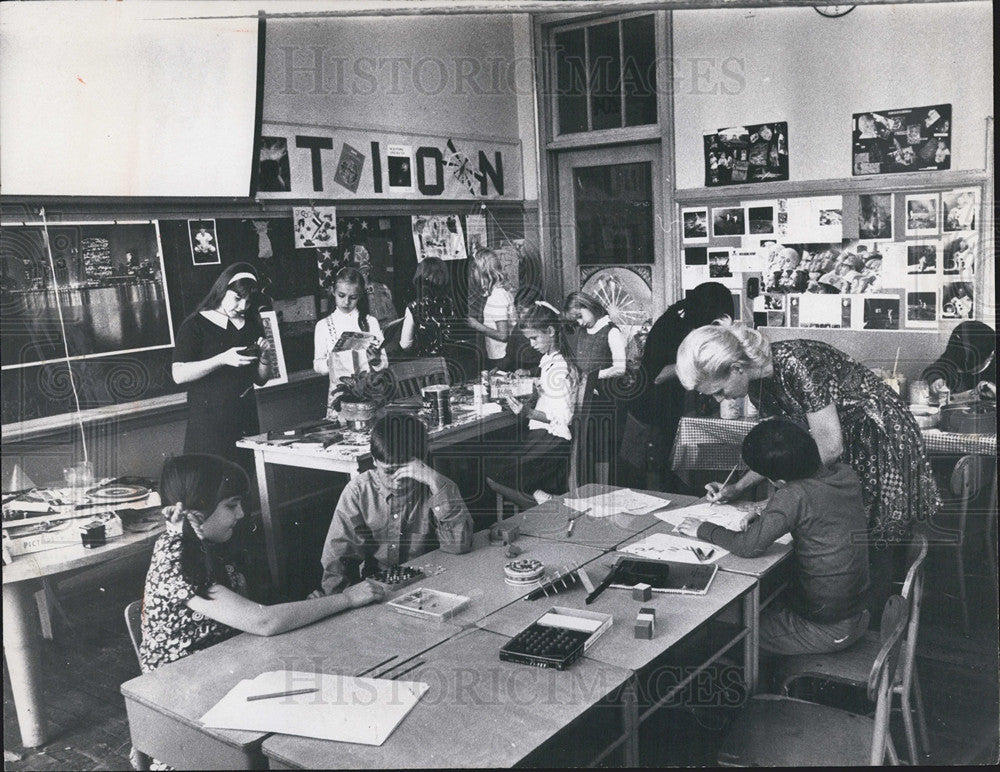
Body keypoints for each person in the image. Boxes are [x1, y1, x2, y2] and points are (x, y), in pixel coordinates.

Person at [676, 323, 940, 618]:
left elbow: (828, 449)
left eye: (719, 392)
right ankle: (855, 621)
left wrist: (780, 505)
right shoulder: (759, 386)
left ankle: (875, 630)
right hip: (836, 443)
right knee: (839, 530)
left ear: (737, 368)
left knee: (870, 533)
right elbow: (780, 452)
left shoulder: (798, 365)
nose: (720, 400)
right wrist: (738, 488)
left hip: (875, 435)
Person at [140, 454, 383, 673]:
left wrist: (312, 607)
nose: (241, 514)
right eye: (231, 505)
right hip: (182, 682)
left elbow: (253, 610)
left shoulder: (206, 542)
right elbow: (262, 621)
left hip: (226, 661)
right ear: (198, 508)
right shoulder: (174, 558)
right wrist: (347, 599)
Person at [678, 420, 870, 656]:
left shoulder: (793, 495)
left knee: (722, 633)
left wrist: (703, 529)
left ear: (777, 482)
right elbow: (819, 509)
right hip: (855, 613)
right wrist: (765, 516)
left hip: (827, 629)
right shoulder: (845, 474)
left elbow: (748, 546)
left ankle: (750, 682)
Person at [315, 413, 473, 595]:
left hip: (432, 583)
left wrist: (434, 480)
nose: (398, 480)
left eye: (406, 470)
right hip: (379, 590)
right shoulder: (358, 491)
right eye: (389, 471)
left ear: (422, 460)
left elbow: (459, 546)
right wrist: (342, 602)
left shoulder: (437, 486)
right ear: (374, 461)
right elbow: (337, 561)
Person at [619, 282, 735, 492]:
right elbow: (658, 376)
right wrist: (696, 359)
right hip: (650, 414)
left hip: (669, 411)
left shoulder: (685, 321)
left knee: (670, 479)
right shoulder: (671, 326)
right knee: (652, 485)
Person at [172, 263, 273, 467]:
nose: (243, 306)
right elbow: (178, 374)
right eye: (237, 298)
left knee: (243, 481)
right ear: (222, 289)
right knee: (212, 483)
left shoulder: (252, 324)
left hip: (245, 418)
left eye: (248, 301)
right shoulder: (195, 325)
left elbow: (260, 380)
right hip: (209, 423)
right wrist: (222, 359)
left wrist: (265, 357)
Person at [487, 302, 577, 499]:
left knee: (492, 475)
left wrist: (528, 412)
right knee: (497, 462)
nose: (532, 344)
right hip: (546, 438)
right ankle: (539, 495)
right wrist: (534, 390)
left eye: (535, 338)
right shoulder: (552, 360)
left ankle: (544, 503)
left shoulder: (558, 369)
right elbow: (554, 398)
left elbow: (562, 418)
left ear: (551, 331)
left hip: (553, 442)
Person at [314, 267, 388, 420]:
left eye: (352, 297)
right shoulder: (323, 325)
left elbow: (384, 363)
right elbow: (317, 366)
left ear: (360, 296)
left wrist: (375, 360)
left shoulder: (370, 322)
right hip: (340, 396)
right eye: (341, 295)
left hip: (369, 394)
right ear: (333, 292)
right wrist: (332, 361)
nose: (346, 302)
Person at [922, 321, 996, 400]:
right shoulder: (956, 353)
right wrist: (936, 379)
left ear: (990, 357)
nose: (958, 370)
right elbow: (933, 369)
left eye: (967, 367)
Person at [399, 256, 457, 357]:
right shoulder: (450, 302)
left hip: (426, 365)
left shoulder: (413, 307)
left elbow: (405, 345)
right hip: (451, 362)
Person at [467, 249, 514, 369]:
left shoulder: (497, 296)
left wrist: (476, 325)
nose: (472, 273)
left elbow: (503, 335)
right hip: (501, 354)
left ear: (483, 272)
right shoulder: (500, 292)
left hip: (502, 356)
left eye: (474, 269)